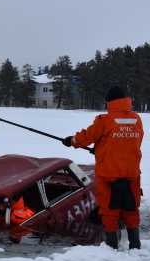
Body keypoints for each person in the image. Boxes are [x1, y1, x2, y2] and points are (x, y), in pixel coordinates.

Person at [62, 85, 144, 250]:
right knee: (131, 208)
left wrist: (71, 140)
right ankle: (135, 245)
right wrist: (102, 147)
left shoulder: (105, 120)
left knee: (109, 209)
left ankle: (111, 246)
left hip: (109, 174)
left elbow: (85, 138)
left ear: (110, 101)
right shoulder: (136, 119)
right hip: (131, 173)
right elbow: (124, 142)